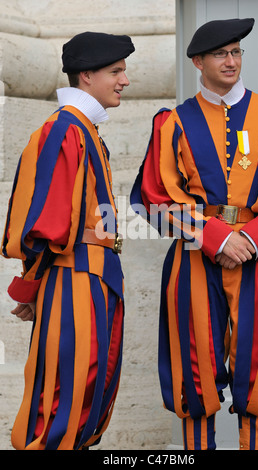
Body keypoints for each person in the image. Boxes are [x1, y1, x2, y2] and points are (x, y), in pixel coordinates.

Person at [130, 18, 258, 450]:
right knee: (194, 372)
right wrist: (218, 238)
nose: (231, 60)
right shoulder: (171, 122)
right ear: (197, 62)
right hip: (192, 258)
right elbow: (152, 196)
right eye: (221, 53)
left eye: (237, 51)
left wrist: (256, 236)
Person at [1, 31, 134, 450]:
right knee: (63, 399)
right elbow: (46, 226)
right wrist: (32, 286)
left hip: (94, 278)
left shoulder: (83, 130)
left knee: (87, 397)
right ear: (86, 75)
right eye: (115, 72)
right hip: (74, 280)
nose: (125, 81)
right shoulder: (65, 132)